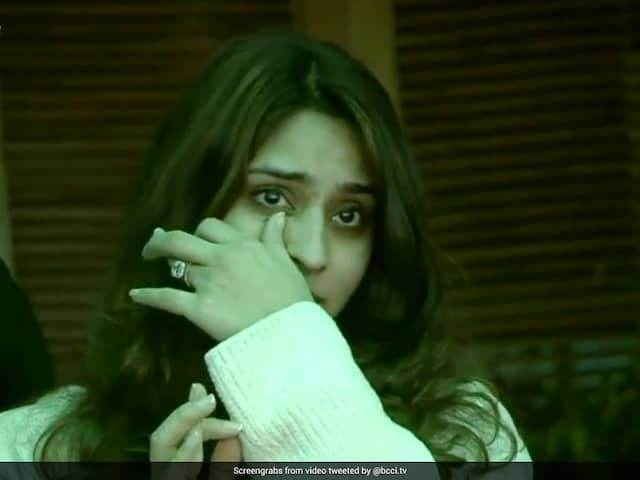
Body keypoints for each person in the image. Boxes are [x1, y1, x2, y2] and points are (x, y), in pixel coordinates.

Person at [0, 29, 531, 478]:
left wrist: (284, 344)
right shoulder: (31, 448)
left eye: (349, 216)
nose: (312, 254)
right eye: (272, 198)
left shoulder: (466, 435)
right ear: (191, 207)